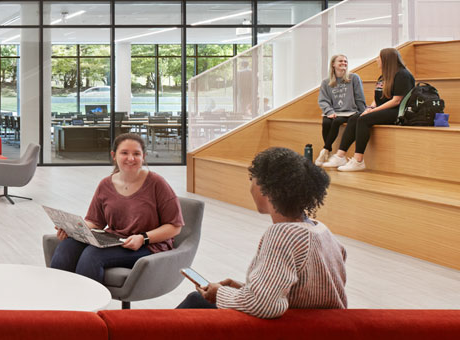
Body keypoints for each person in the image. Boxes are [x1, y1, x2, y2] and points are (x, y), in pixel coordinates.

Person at [177, 147, 346, 317]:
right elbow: (300, 295)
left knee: (195, 301)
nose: (250, 187)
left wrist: (219, 293)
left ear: (266, 188)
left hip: (293, 330)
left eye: (252, 179)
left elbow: (261, 305)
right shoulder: (322, 231)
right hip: (324, 327)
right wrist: (243, 288)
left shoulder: (284, 235)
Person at [49, 133, 183, 284]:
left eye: (136, 154)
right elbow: (95, 221)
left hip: (148, 245)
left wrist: (143, 238)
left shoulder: (157, 183)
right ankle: (59, 302)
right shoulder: (106, 184)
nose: (131, 158)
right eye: (124, 153)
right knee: (67, 246)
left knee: (92, 255)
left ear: (144, 156)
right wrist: (72, 229)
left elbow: (174, 227)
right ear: (114, 155)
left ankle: (89, 306)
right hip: (116, 240)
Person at [325, 47, 414, 171]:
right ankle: (340, 155)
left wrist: (372, 111)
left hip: (399, 112)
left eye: (379, 57)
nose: (377, 60)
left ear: (386, 60)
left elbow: (397, 100)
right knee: (355, 117)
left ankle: (358, 160)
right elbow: (377, 99)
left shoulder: (403, 75)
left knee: (363, 119)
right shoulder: (383, 77)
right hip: (384, 110)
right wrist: (370, 108)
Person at [315, 54, 366, 166]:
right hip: (334, 111)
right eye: (340, 61)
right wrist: (329, 112)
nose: (344, 63)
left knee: (337, 121)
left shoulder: (354, 78)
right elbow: (323, 100)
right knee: (326, 121)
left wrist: (363, 112)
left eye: (345, 61)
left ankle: (325, 150)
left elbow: (359, 97)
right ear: (333, 64)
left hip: (351, 111)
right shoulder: (326, 82)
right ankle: (328, 151)